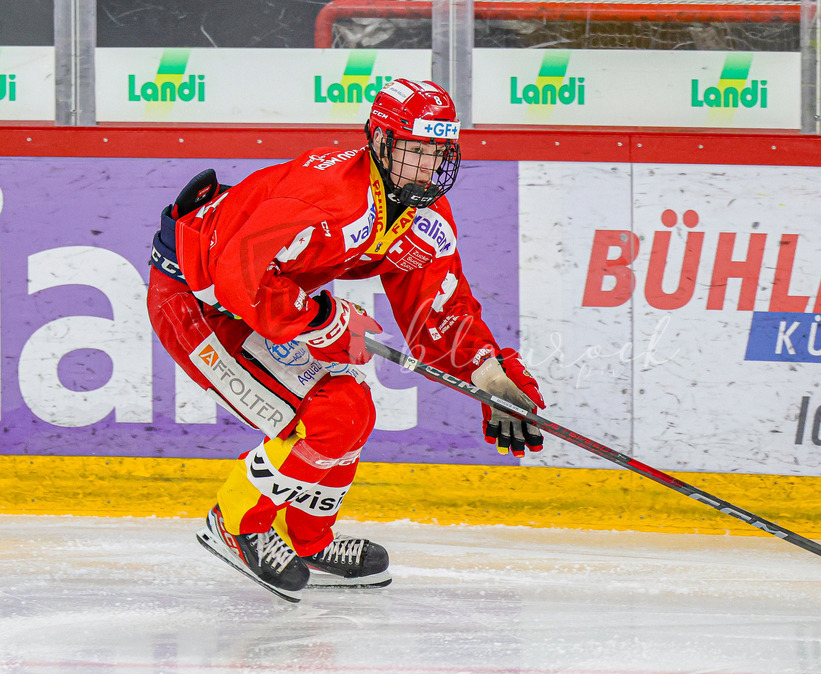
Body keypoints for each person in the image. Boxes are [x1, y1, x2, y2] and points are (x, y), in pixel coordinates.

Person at [147, 78, 545, 603]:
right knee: (328, 415)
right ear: (380, 142)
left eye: (439, 152)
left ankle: (305, 539)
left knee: (350, 412)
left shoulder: (419, 215)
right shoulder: (331, 196)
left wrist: (487, 372)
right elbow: (237, 274)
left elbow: (438, 310)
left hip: (263, 301)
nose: (427, 167)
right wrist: (321, 317)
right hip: (197, 302)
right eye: (414, 151)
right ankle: (236, 520)